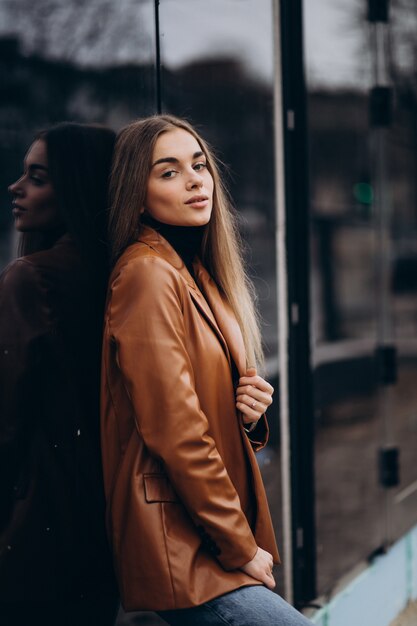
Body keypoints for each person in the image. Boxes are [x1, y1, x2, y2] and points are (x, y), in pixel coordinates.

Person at [102, 114, 312, 625]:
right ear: (137, 189)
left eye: (198, 165)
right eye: (168, 171)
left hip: (203, 534)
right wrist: (240, 546)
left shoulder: (192, 271)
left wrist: (248, 413)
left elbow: (196, 410)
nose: (196, 180)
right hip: (184, 541)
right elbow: (174, 431)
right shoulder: (146, 274)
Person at [0, 122, 118, 626]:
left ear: (76, 187)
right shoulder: (126, 273)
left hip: (32, 531)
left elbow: (5, 423)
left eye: (38, 177)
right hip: (100, 528)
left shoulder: (31, 278)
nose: (16, 187)